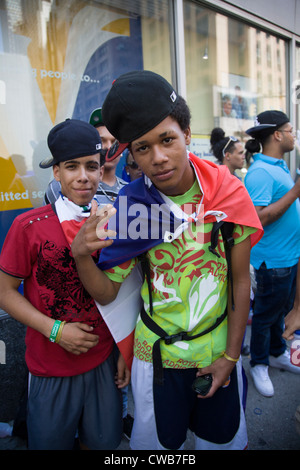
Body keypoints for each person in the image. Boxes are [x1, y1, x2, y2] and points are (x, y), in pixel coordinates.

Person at [71, 71, 263, 450]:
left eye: (167, 140)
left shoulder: (226, 194)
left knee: (220, 443)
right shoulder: (132, 208)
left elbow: (240, 282)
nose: (157, 158)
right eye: (142, 148)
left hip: (217, 348)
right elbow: (109, 293)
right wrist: (81, 256)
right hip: (155, 358)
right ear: (132, 155)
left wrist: (230, 357)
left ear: (188, 134)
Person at [0, 119, 127, 450]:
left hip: (103, 361)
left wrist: (124, 351)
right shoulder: (29, 226)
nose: (83, 176)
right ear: (56, 172)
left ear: (101, 170)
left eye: (91, 166)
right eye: (72, 167)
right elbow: (3, 291)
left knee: (102, 445)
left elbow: (125, 292)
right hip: (49, 366)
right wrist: (54, 330)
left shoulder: (114, 221)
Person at [244, 110, 300, 398]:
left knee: (280, 314)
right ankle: (259, 363)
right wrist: (296, 192)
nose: (294, 135)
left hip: (288, 259)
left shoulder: (276, 166)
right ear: (277, 134)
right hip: (271, 262)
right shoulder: (260, 172)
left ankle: (277, 353)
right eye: (291, 130)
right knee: (265, 318)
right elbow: (258, 219)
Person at [89, 108, 127, 206]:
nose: (109, 147)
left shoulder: (131, 192)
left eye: (114, 142)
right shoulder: (75, 187)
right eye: (102, 141)